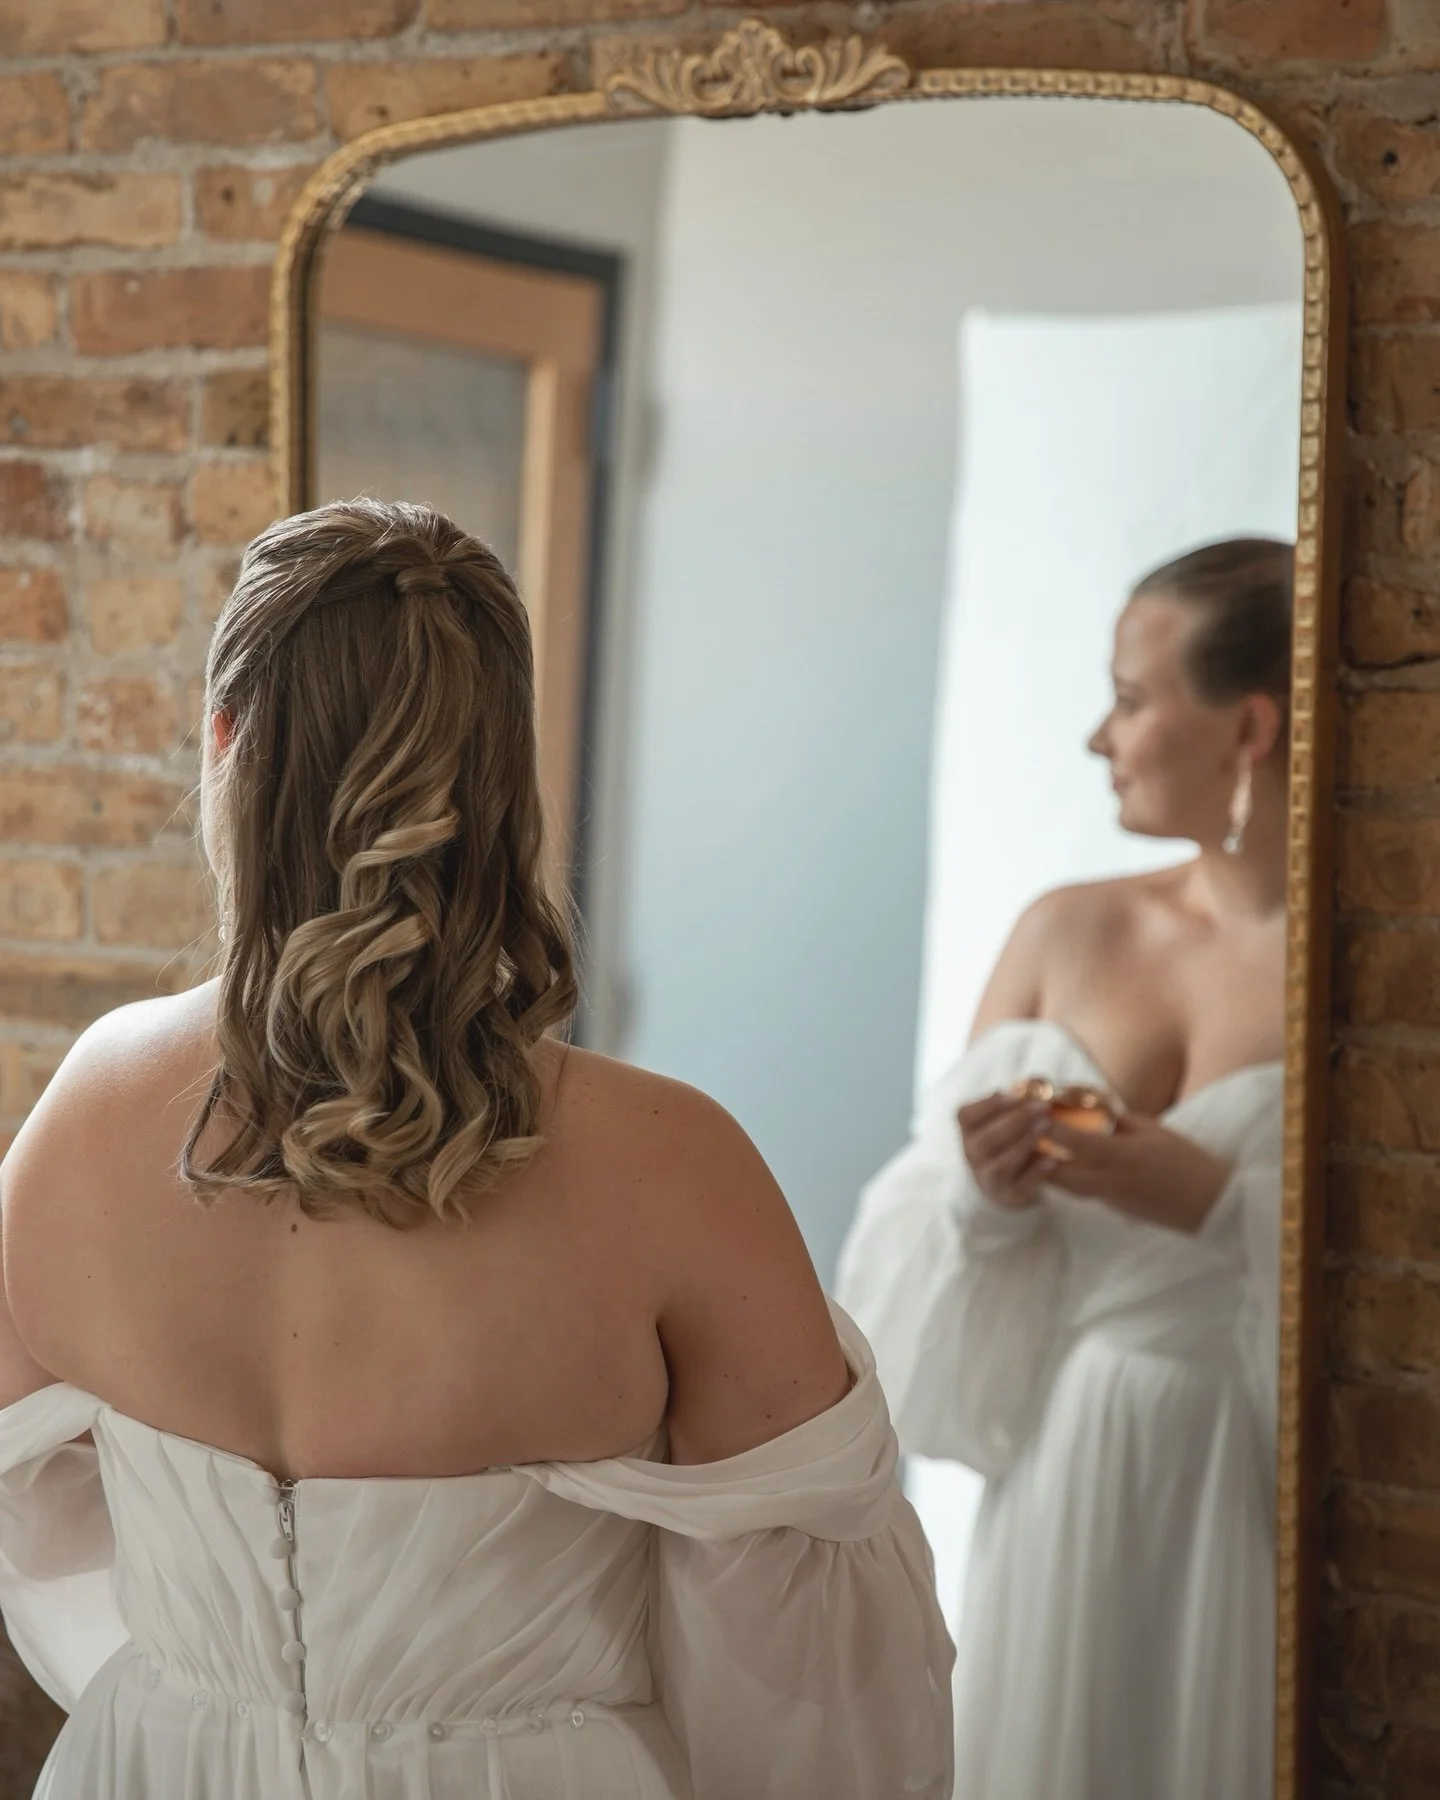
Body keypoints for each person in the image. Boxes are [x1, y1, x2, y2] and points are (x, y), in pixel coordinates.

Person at [0, 500, 953, 1800]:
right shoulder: (673, 1168)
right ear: (508, 782)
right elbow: (808, 1680)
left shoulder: (87, 1108)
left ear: (224, 741)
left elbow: (37, 1512)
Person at [837, 538, 1292, 1800]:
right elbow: (903, 1250)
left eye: (1135, 700)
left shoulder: (1377, 973)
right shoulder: (1067, 929)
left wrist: (1212, 1205)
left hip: (1243, 1483)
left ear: (1249, 727)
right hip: (1064, 1470)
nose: (1103, 736)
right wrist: (984, 1204)